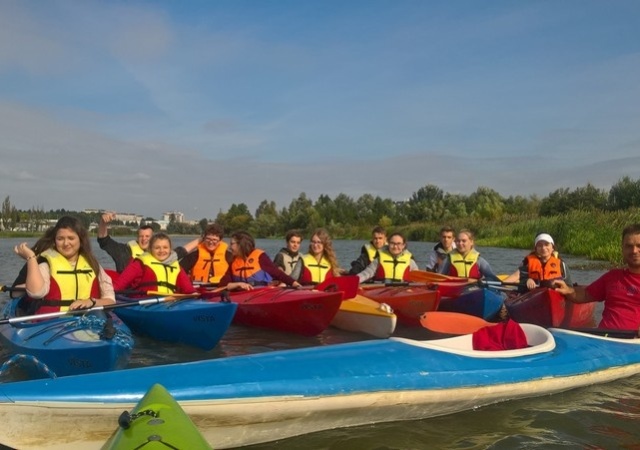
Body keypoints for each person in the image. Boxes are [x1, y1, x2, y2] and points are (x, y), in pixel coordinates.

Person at [13, 215, 115, 314]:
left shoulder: (93, 264)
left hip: (89, 321)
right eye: (60, 239)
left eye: (71, 238)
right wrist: (31, 258)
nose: (66, 243)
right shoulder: (46, 264)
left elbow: (110, 300)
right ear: (54, 240)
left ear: (81, 240)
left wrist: (92, 302)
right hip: (53, 324)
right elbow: (36, 293)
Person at [554, 224, 640, 330]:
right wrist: (568, 290)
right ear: (622, 248)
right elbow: (585, 295)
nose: (634, 251)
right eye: (629, 246)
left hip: (634, 343)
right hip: (603, 340)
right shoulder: (612, 277)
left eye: (639, 246)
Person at [113, 232, 196, 297]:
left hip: (169, 303)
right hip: (144, 303)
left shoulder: (176, 266)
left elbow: (188, 289)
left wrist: (195, 296)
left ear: (170, 249)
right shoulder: (140, 263)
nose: (161, 251)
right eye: (157, 248)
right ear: (150, 249)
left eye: (165, 247)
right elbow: (119, 284)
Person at [219, 231, 301, 291]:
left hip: (260, 293)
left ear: (241, 244)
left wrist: (295, 284)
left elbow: (278, 273)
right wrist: (238, 284)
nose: (229, 247)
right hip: (241, 296)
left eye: (232, 244)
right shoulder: (233, 261)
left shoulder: (260, 256)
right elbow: (223, 285)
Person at [503, 232, 572, 292]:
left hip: (556, 294)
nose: (543, 248)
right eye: (540, 245)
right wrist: (527, 280)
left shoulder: (561, 264)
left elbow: (569, 286)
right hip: (533, 295)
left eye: (546, 244)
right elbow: (522, 282)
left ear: (552, 248)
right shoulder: (527, 263)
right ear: (536, 249)